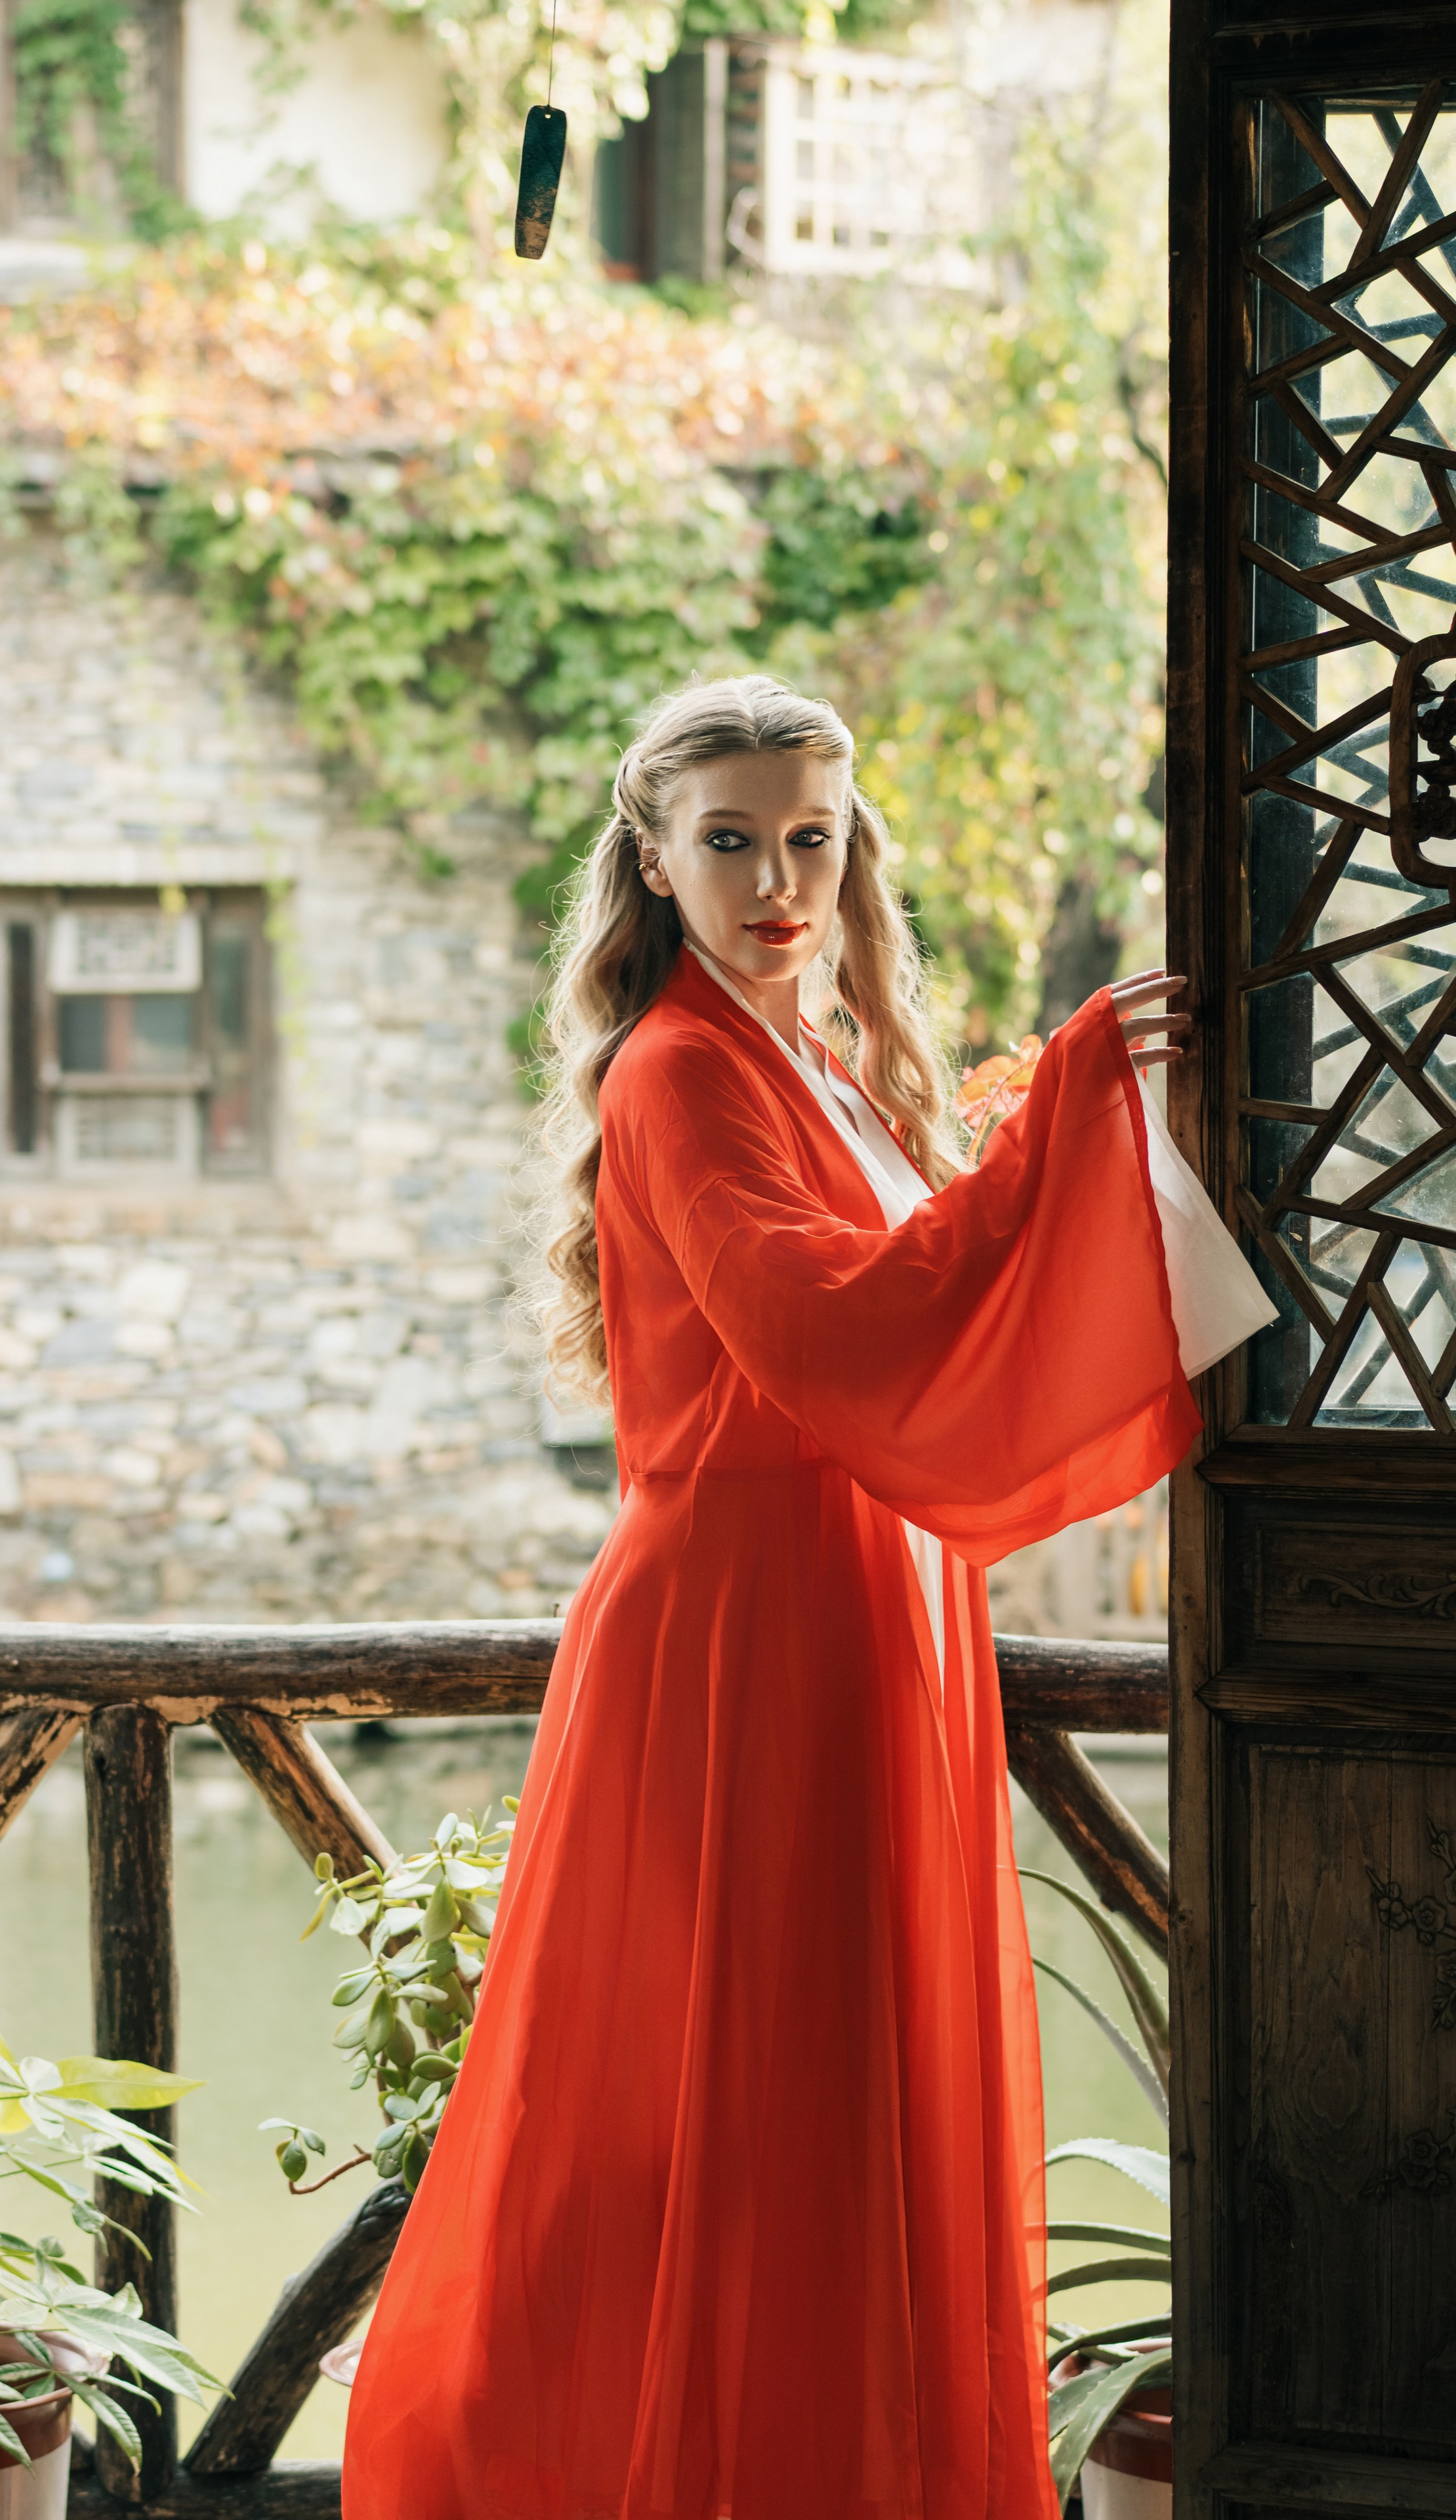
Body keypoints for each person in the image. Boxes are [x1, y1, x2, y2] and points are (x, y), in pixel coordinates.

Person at [341, 677, 1274, 2520]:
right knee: (740, 2090)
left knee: (843, 2096)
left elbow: (914, 1300)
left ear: (852, 849)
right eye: (732, 842)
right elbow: (834, 1330)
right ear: (654, 857)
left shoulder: (823, 1056)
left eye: (812, 839)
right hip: (741, 1629)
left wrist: (1048, 1138)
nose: (778, 880)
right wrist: (1060, 1113)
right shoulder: (681, 1072)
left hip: (870, 1605)